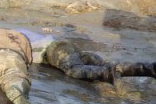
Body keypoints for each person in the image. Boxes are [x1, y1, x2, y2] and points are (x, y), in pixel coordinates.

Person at [19, 28, 156, 84]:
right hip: (65, 47)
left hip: (55, 50)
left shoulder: (10, 40)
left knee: (74, 69)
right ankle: (148, 69)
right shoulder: (19, 32)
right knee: (103, 64)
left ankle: (109, 75)